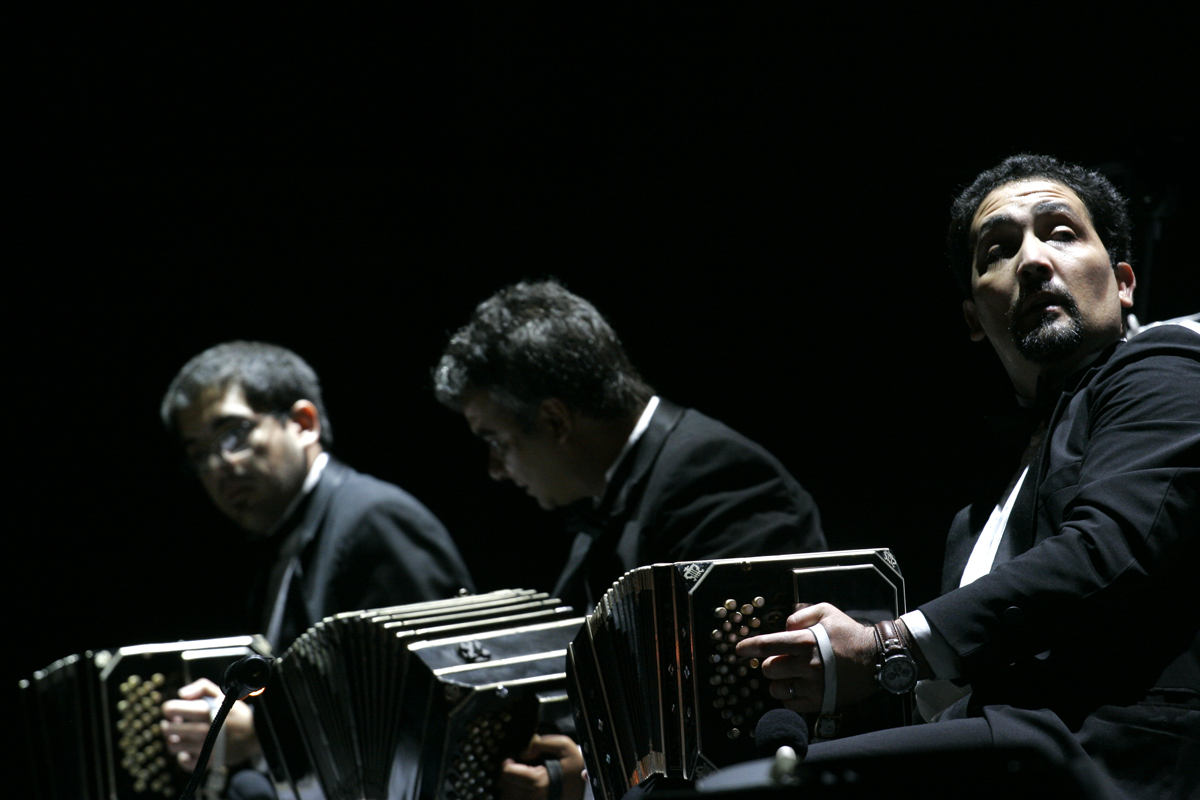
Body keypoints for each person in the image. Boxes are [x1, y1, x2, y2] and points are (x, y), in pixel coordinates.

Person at [737, 155, 1199, 798]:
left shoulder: (1167, 365)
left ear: (1124, 283)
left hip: (1124, 764)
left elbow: (1109, 549)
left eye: (1060, 232)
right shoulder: (978, 517)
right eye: (999, 250)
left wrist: (883, 646)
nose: (1035, 260)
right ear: (974, 321)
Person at [435, 280, 827, 799]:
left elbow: (735, 720)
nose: (495, 470)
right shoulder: (611, 499)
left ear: (554, 421)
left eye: (496, 440)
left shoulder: (718, 478)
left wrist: (588, 774)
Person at [157, 341, 475, 778]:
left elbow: (447, 700)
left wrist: (261, 734)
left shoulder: (373, 519)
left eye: (233, 434)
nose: (218, 465)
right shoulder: (279, 542)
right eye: (199, 452)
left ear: (303, 423)